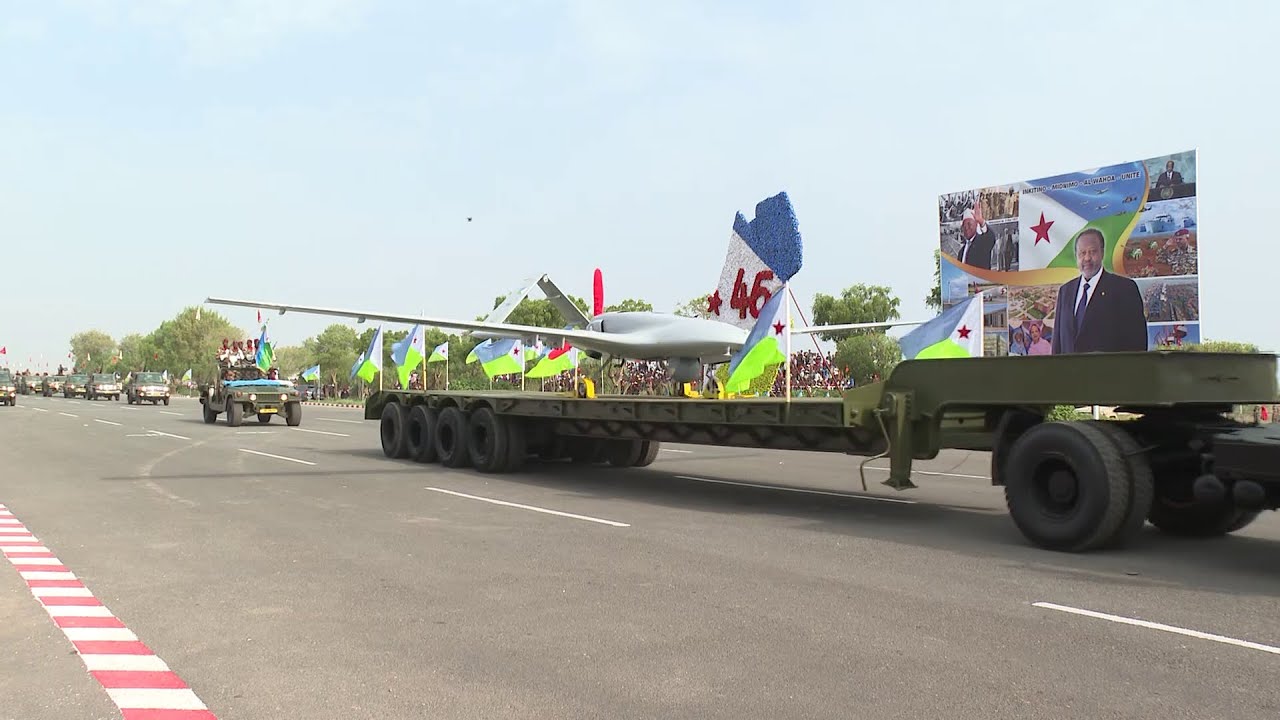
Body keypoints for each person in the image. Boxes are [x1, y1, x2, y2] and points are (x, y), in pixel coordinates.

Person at [1051, 228, 1148, 354]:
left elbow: (1137, 345)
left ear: (1102, 253)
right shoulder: (1065, 291)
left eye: (1092, 252)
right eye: (1082, 253)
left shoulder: (1124, 289)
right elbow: (1057, 344)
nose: (1087, 258)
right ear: (1076, 256)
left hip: (1107, 372)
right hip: (1070, 373)